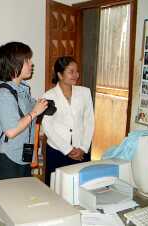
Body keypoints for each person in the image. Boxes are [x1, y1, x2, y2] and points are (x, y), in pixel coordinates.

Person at [0, 42, 48, 180]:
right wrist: (34, 112)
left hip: (23, 155)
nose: (31, 64)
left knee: (23, 198)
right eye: (27, 60)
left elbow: (30, 124)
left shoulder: (22, 90)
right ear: (14, 64)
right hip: (8, 157)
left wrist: (33, 152)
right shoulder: (3, 95)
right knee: (11, 200)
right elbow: (11, 131)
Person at [42, 56, 94, 186]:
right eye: (71, 72)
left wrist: (83, 147)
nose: (76, 75)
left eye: (77, 71)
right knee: (57, 187)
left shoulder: (85, 92)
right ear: (60, 74)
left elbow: (89, 121)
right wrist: (68, 149)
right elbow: (47, 126)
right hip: (57, 150)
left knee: (80, 186)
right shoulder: (49, 96)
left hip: (81, 149)